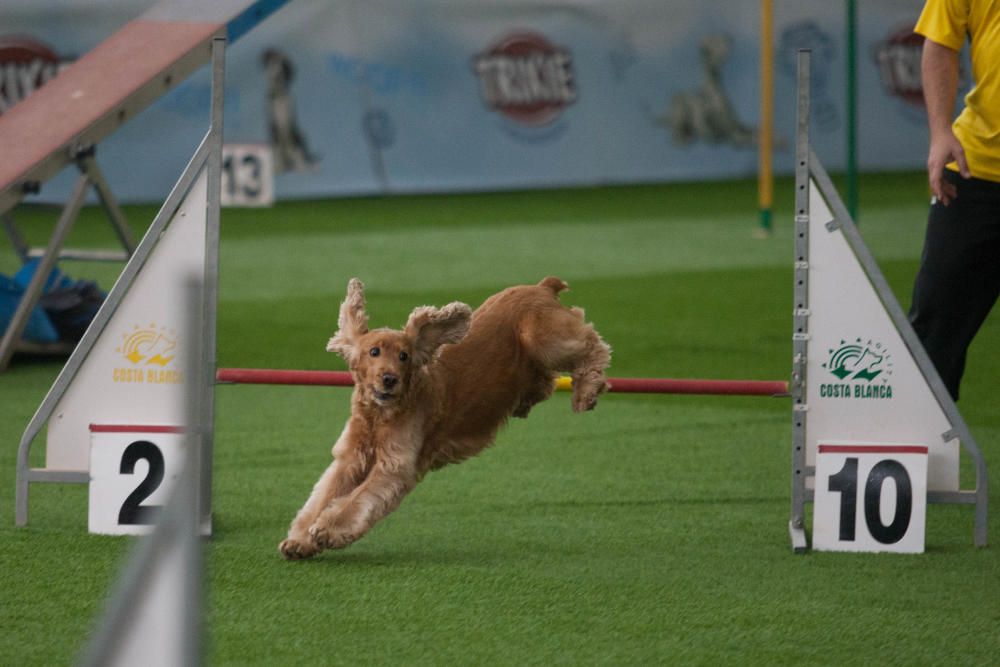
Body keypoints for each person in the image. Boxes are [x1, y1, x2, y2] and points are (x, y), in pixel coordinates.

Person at [908, 0, 1000, 401]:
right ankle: (915, 449)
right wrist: (940, 131)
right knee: (933, 333)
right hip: (974, 171)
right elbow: (940, 44)